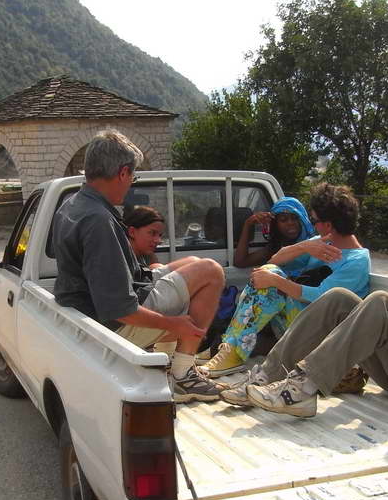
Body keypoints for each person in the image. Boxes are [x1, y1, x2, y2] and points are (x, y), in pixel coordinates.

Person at [221, 180, 388, 417]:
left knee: (381, 301)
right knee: (337, 297)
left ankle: (303, 389)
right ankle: (265, 377)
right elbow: (274, 261)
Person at [52, 130, 226, 402]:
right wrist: (174, 324)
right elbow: (121, 309)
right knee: (212, 272)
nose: (131, 183)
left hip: (89, 307)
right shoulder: (99, 221)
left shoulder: (72, 205)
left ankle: (168, 361)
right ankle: (182, 374)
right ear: (122, 173)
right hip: (111, 325)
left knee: (192, 262)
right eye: (133, 176)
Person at [203, 183, 370, 377]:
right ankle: (229, 349)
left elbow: (323, 299)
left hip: (322, 338)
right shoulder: (323, 245)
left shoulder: (356, 260)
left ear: (328, 225)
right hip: (300, 326)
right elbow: (274, 260)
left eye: (314, 221)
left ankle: (231, 351)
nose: (313, 225)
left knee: (272, 279)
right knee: (269, 272)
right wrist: (303, 247)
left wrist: (276, 281)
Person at [233, 197, 316, 268]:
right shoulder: (274, 249)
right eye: (283, 220)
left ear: (303, 220)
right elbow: (240, 262)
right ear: (276, 225)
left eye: (295, 218)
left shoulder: (314, 245)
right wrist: (248, 224)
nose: (290, 223)